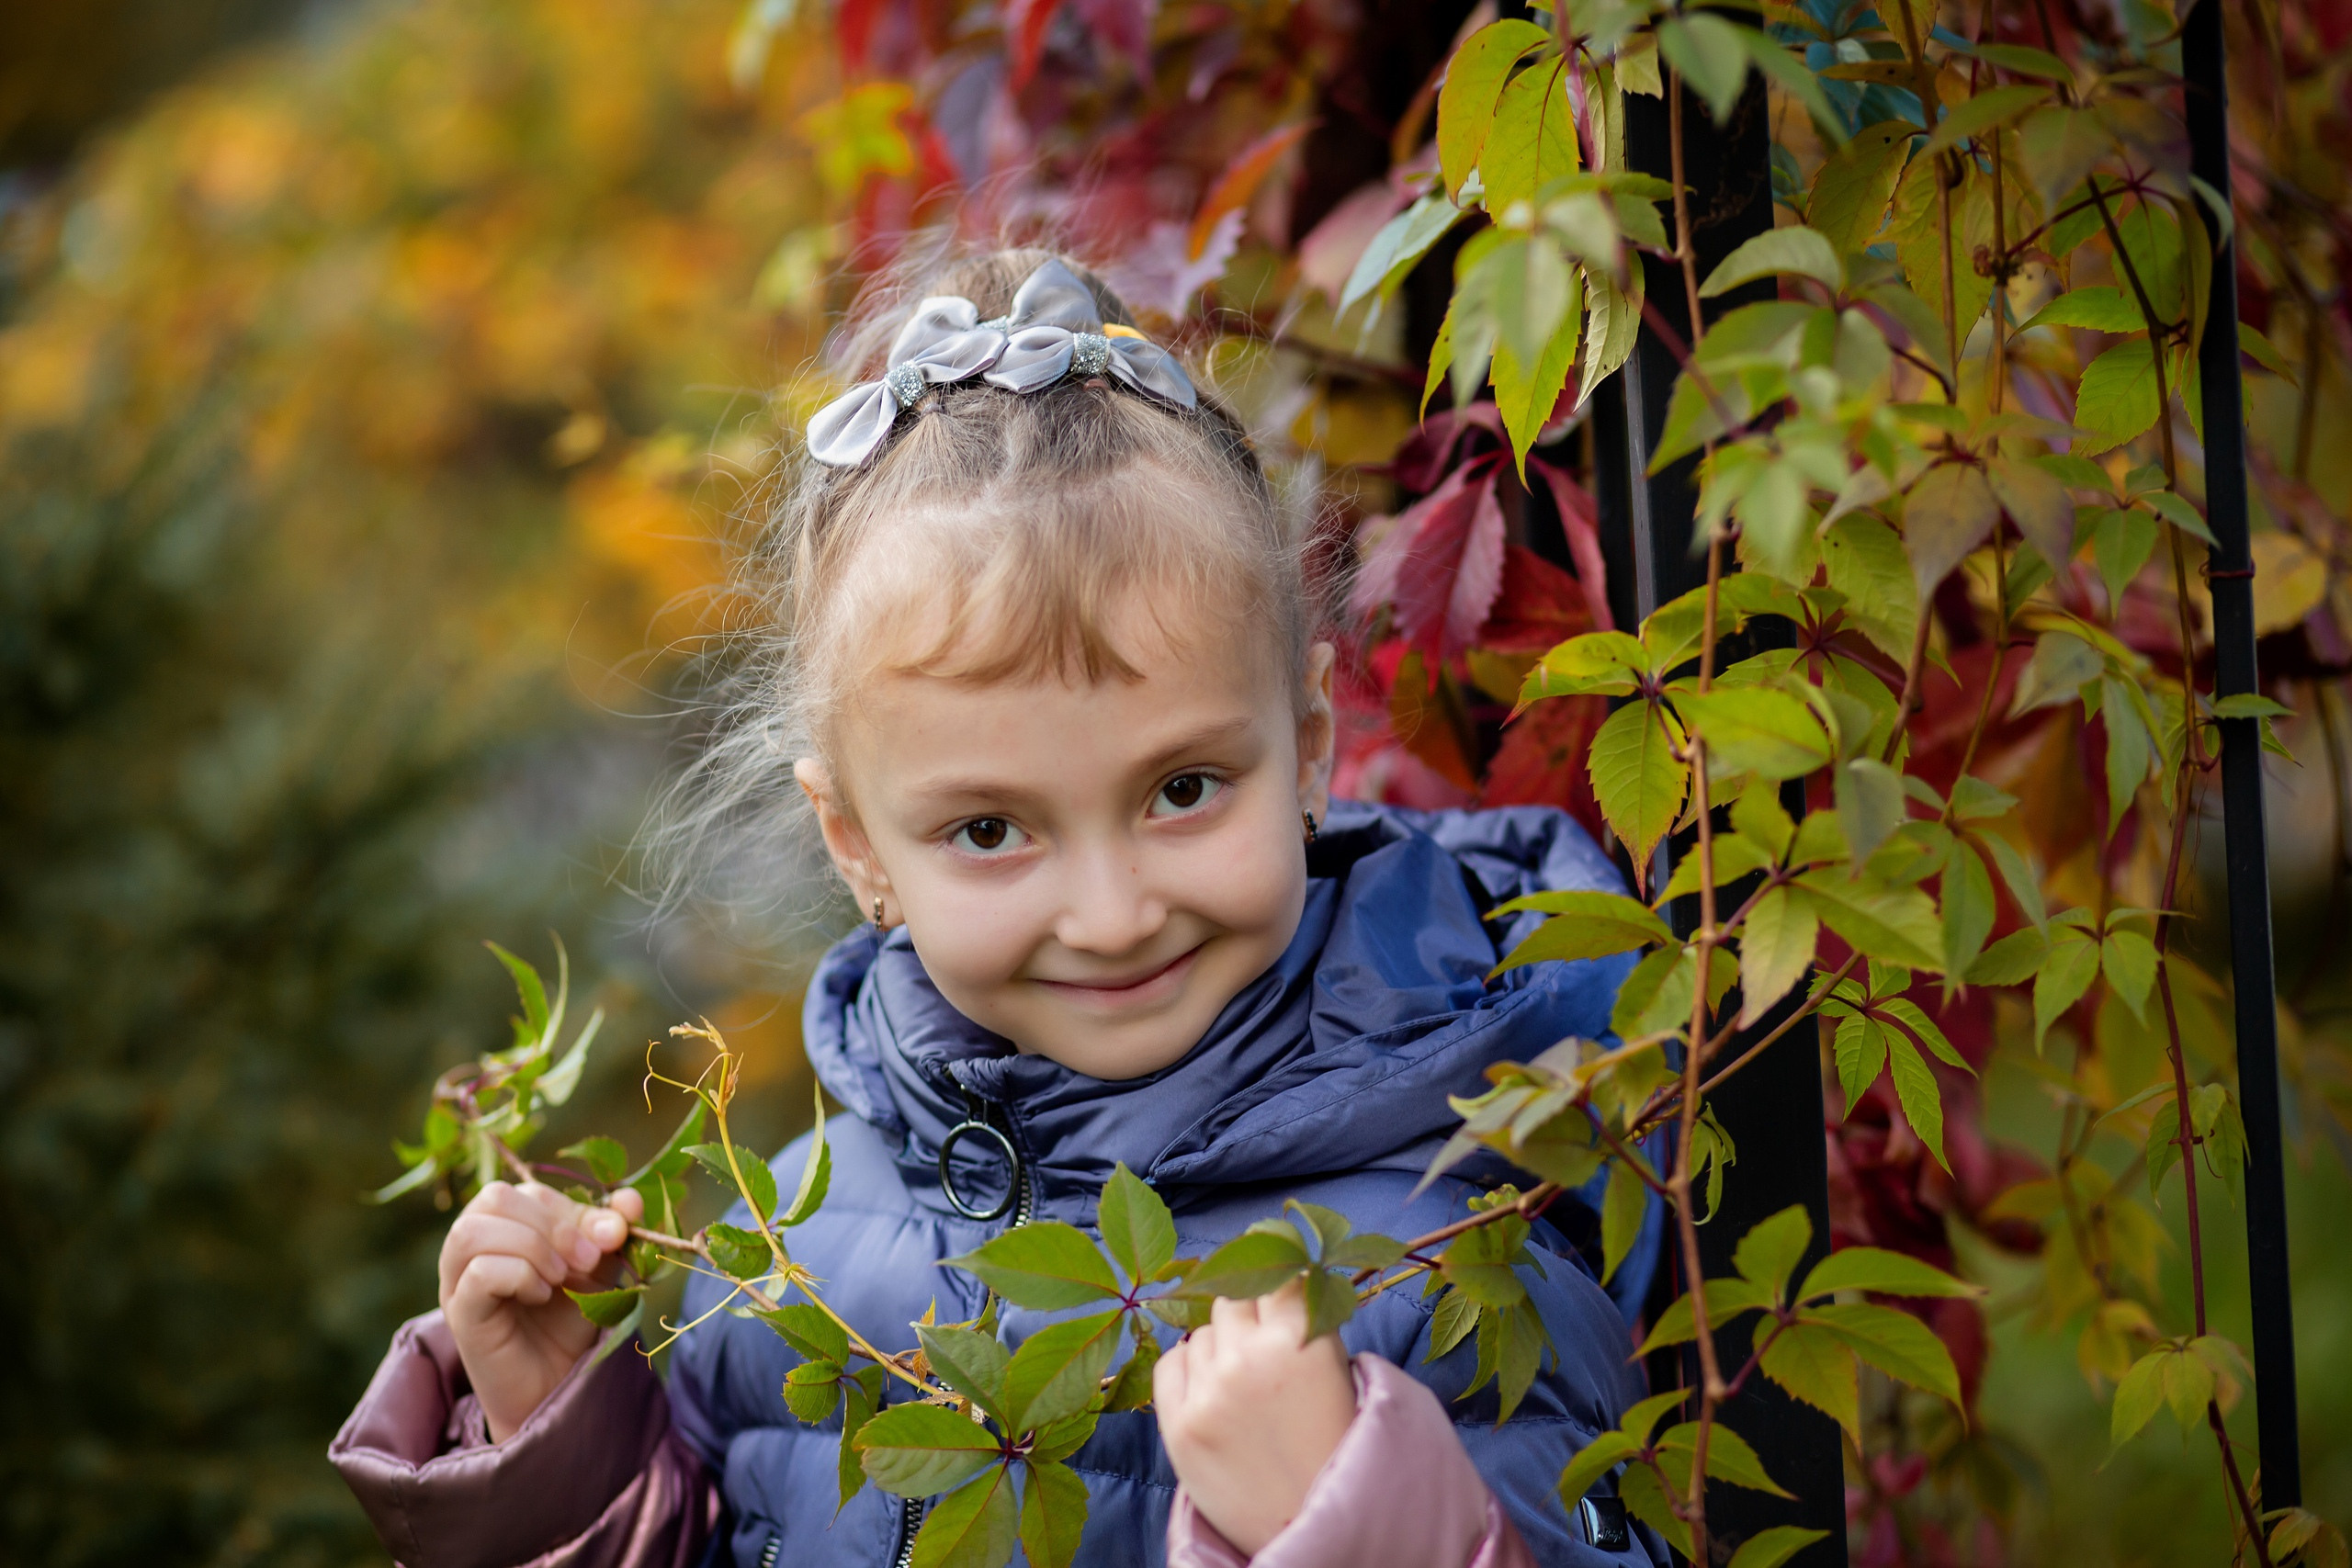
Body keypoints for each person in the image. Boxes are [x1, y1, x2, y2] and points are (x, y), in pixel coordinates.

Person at [330, 250, 1663, 1568]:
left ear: (1310, 745)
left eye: (1183, 790)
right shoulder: (786, 1247)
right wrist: (572, 1473)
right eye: (988, 831)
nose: (1111, 914)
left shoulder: (1456, 1243)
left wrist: (1348, 1525)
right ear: (857, 846)